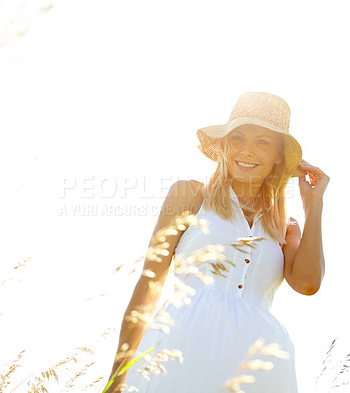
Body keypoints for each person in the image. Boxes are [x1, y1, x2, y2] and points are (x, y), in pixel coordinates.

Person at [105, 92, 329, 393]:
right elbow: (149, 286)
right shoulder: (190, 195)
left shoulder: (284, 226)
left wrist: (313, 205)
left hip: (260, 365)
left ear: (278, 154)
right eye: (238, 139)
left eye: (262, 142)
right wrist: (118, 374)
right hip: (180, 350)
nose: (246, 151)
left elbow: (308, 284)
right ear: (223, 144)